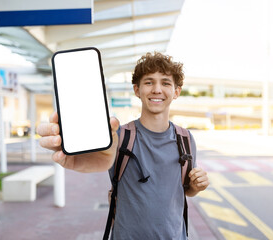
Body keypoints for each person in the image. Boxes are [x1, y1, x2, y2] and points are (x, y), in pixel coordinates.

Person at [37, 52, 209, 239]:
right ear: (137, 90)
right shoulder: (119, 137)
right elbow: (92, 158)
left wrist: (196, 186)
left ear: (176, 91)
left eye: (166, 83)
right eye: (149, 82)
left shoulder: (185, 139)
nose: (157, 89)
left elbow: (185, 191)